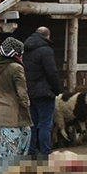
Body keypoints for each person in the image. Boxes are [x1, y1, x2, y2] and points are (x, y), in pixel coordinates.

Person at [0, 37, 32, 165]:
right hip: (15, 111)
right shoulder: (16, 68)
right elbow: (22, 92)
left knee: (6, 144)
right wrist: (27, 105)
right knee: (19, 143)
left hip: (1, 109)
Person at [23, 26, 61, 157]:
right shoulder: (46, 50)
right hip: (45, 93)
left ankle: (32, 151)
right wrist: (56, 90)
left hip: (30, 92)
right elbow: (52, 72)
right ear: (48, 36)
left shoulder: (26, 50)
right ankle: (45, 152)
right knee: (45, 124)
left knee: (32, 123)